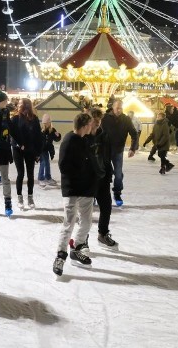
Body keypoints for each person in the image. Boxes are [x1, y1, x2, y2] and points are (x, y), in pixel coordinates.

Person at [52, 113, 98, 276]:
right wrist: (82, 173)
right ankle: (60, 255)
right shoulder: (69, 140)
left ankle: (77, 248)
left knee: (86, 222)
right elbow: (64, 166)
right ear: (85, 125)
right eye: (90, 125)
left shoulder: (86, 140)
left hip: (87, 189)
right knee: (69, 223)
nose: (92, 127)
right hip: (72, 189)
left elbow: (91, 162)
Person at [88, 107, 118, 250]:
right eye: (95, 120)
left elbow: (107, 156)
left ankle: (103, 233)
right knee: (86, 211)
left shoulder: (104, 135)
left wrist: (108, 172)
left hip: (103, 177)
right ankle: (83, 240)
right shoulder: (84, 137)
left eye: (99, 120)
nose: (98, 122)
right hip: (89, 179)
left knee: (106, 206)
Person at [101, 99, 138, 207]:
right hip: (105, 150)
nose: (119, 110)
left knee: (118, 174)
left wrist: (132, 148)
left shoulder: (126, 119)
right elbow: (97, 132)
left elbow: (134, 134)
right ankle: (98, 194)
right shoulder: (105, 118)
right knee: (103, 174)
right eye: (117, 108)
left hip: (118, 151)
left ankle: (117, 194)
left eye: (121, 108)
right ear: (112, 107)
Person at [10, 98, 43, 210]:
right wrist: (19, 144)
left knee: (30, 174)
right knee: (21, 173)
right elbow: (12, 134)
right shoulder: (15, 118)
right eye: (19, 104)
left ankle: (30, 197)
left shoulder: (34, 119)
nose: (19, 106)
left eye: (21, 104)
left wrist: (38, 152)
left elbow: (38, 136)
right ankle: (20, 197)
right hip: (18, 150)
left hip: (30, 150)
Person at [38, 113, 61, 186]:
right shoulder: (41, 130)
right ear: (43, 123)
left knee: (47, 163)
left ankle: (48, 177)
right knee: (43, 163)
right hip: (41, 149)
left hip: (47, 149)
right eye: (45, 123)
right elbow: (37, 140)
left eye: (48, 122)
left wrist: (58, 136)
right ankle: (41, 178)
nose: (47, 124)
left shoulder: (52, 130)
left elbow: (56, 139)